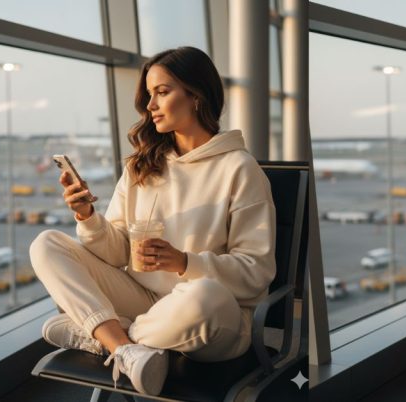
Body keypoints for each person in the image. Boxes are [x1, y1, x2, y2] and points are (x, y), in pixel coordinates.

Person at [30, 47, 276, 395]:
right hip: (143, 299)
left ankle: (100, 335)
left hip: (214, 315)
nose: (150, 105)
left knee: (203, 295)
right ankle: (123, 347)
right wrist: (87, 216)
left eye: (162, 92)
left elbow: (256, 271)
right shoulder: (142, 166)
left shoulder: (240, 169)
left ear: (196, 96)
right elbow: (117, 253)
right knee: (47, 244)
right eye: (149, 94)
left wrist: (183, 262)